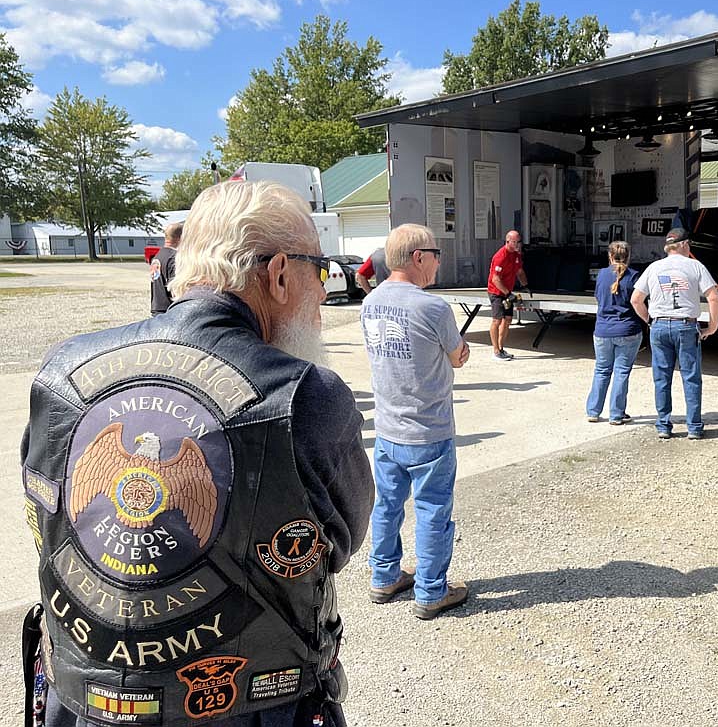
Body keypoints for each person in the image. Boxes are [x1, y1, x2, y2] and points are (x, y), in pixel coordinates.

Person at [20, 181, 374, 727]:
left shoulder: (62, 369)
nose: (323, 292)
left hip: (79, 703)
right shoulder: (305, 395)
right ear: (279, 274)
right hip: (249, 707)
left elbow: (47, 509)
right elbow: (338, 540)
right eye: (319, 270)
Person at [360, 224, 471, 620]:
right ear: (419, 257)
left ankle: (384, 576)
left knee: (387, 505)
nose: (439, 263)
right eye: (436, 255)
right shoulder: (433, 307)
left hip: (388, 428)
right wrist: (460, 353)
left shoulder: (370, 303)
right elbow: (458, 355)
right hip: (429, 429)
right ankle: (430, 592)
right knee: (432, 509)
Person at [631, 227, 718, 441]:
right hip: (686, 326)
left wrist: (650, 321)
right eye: (688, 244)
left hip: (660, 326)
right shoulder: (695, 266)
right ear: (683, 245)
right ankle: (694, 427)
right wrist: (712, 326)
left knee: (661, 378)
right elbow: (713, 297)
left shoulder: (654, 267)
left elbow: (636, 299)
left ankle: (663, 425)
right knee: (691, 378)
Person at [585, 241, 644, 425]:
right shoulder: (634, 276)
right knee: (621, 372)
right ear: (628, 256)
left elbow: (597, 297)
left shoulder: (602, 275)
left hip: (603, 330)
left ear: (610, 256)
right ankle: (616, 414)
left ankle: (593, 411)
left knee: (601, 370)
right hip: (627, 329)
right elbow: (638, 301)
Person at [487, 230, 529, 361]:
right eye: (514, 242)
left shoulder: (516, 255)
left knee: (508, 320)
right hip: (497, 292)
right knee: (497, 320)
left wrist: (525, 285)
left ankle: (501, 348)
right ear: (507, 241)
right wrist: (507, 294)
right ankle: (495, 350)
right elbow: (495, 279)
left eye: (518, 242)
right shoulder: (500, 256)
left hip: (507, 293)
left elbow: (520, 271)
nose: (516, 244)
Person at [150, 221, 182, 315]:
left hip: (157, 307)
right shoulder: (174, 258)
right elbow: (176, 287)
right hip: (169, 311)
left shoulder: (157, 256)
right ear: (180, 238)